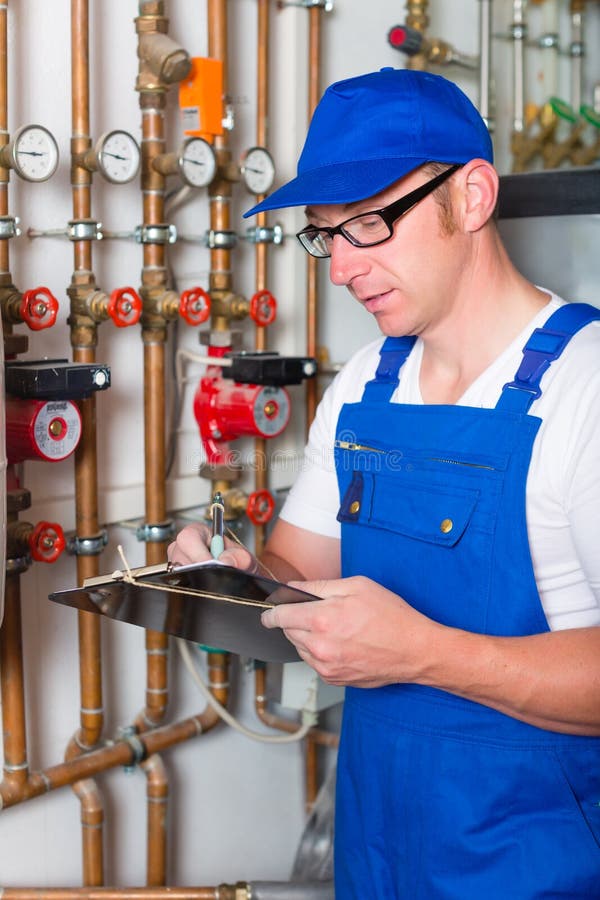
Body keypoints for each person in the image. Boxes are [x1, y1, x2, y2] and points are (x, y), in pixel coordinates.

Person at [169, 68, 600, 897]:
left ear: (471, 197)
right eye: (327, 234)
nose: (340, 268)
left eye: (369, 223)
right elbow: (296, 574)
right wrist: (234, 574)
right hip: (380, 855)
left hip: (540, 866)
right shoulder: (369, 382)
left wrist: (425, 653)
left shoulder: (583, 388)